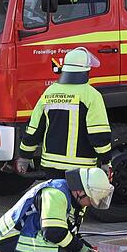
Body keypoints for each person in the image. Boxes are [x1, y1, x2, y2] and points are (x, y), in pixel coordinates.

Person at [16, 47, 112, 179]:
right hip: (81, 168)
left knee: (56, 198)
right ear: (86, 71)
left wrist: (25, 157)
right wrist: (106, 161)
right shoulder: (92, 95)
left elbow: (34, 130)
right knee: (76, 200)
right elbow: (99, 135)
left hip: (50, 166)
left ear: (64, 69)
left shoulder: (49, 92)